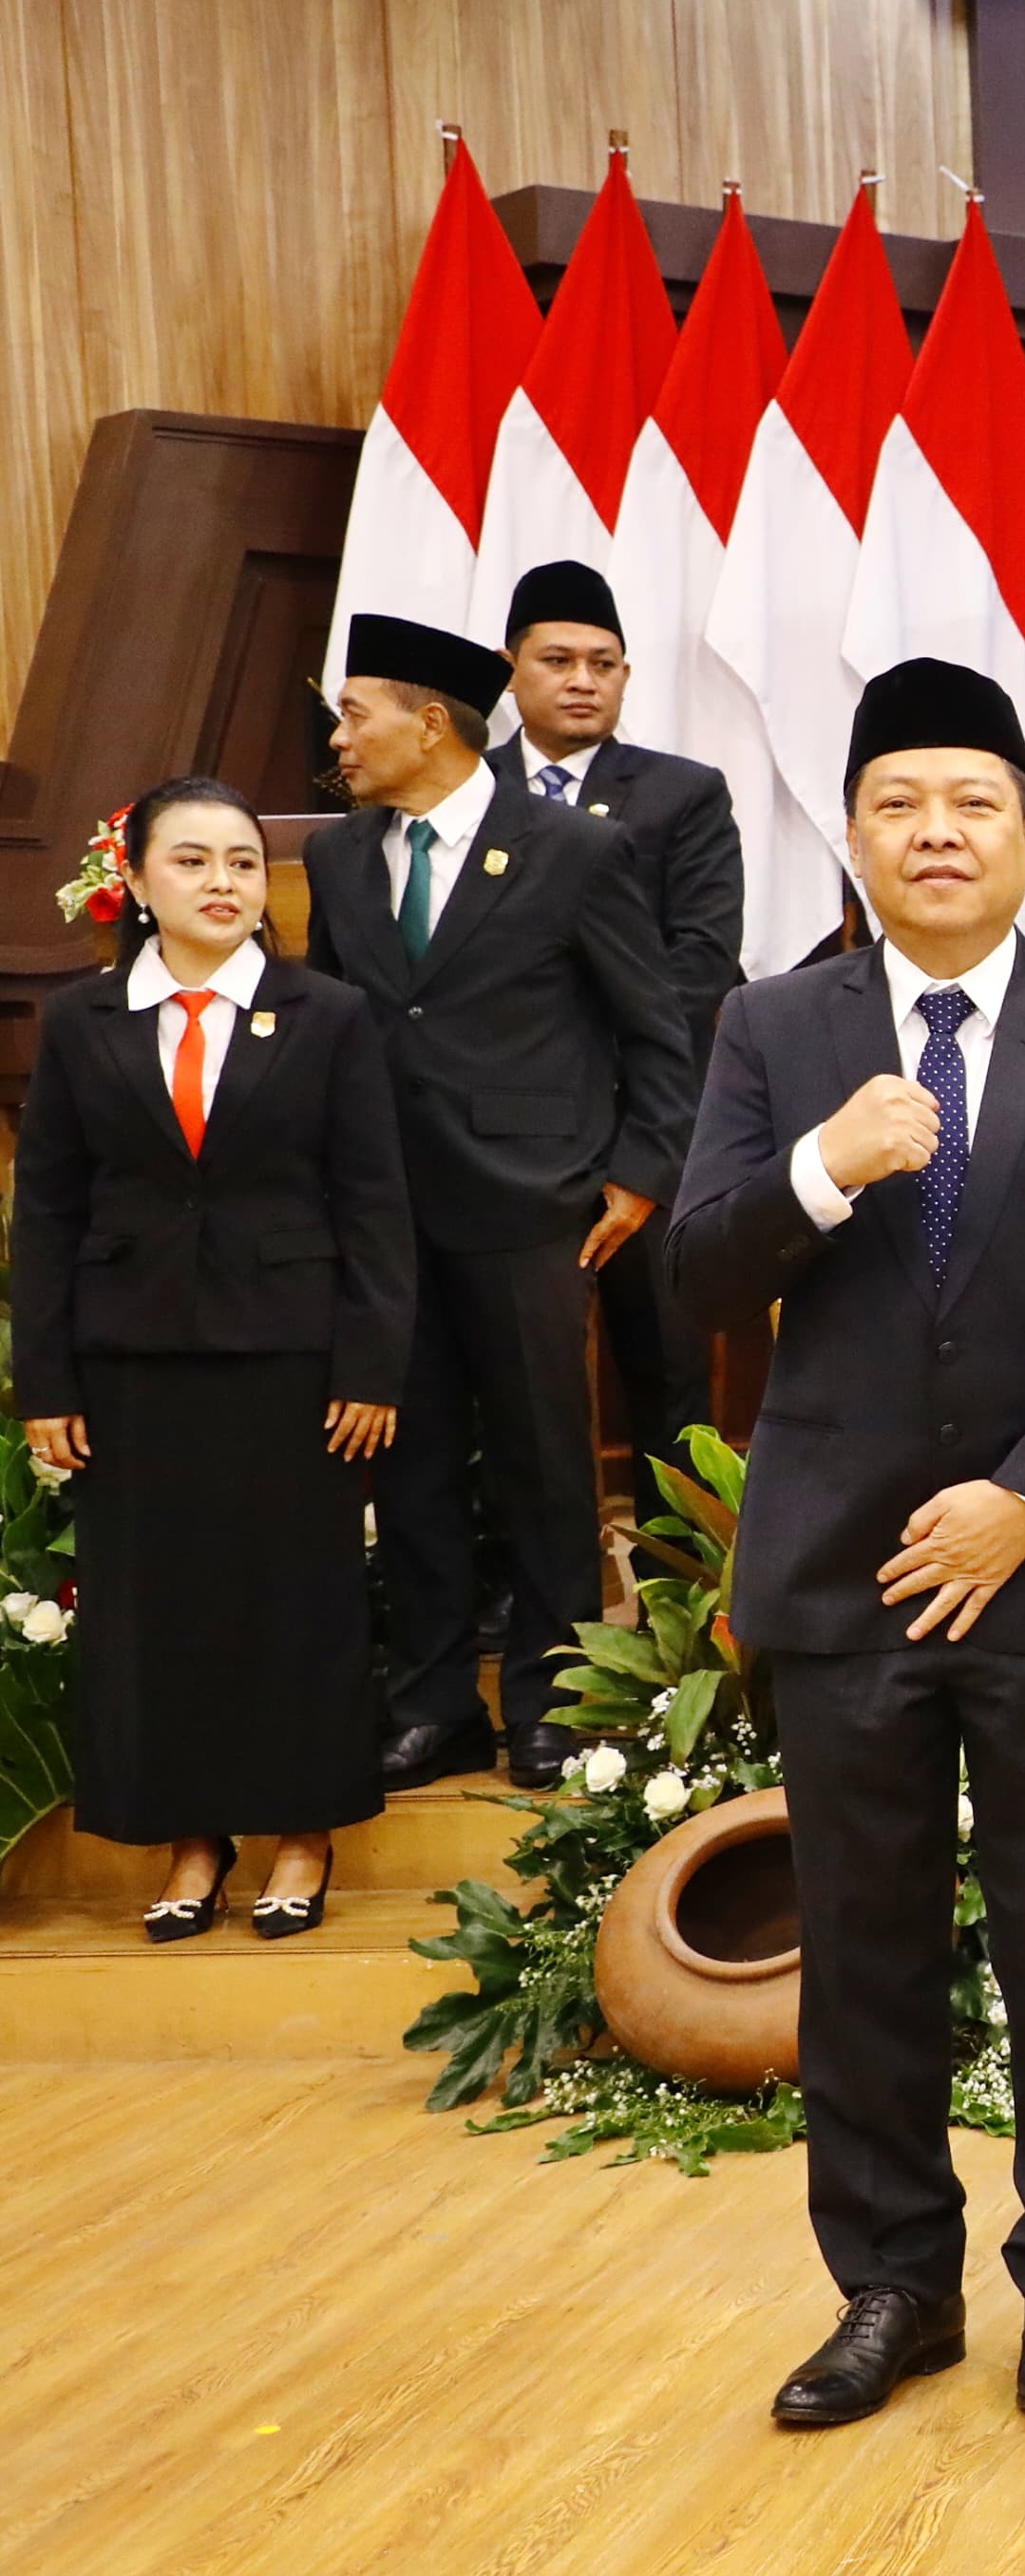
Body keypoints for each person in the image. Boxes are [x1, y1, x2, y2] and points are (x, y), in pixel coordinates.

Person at [664, 657, 1025, 2430]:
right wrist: (823, 1168)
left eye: (975, 801)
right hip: (839, 1570)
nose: (940, 831)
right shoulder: (776, 1028)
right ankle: (893, 2282)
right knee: (869, 1948)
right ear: (854, 836)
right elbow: (695, 1273)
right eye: (902, 803)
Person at [12, 779, 409, 1940]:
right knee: (160, 1611)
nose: (224, 881)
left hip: (296, 1362)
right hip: (132, 1366)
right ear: (135, 881)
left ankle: (302, 1832)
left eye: (242, 861)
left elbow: (375, 1204)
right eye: (193, 861)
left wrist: (372, 1366)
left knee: (298, 1602)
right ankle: (193, 1843)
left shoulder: (327, 1013)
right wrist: (48, 1380)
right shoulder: (84, 1021)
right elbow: (46, 1210)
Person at [305, 614, 693, 1794]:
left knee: (544, 1467)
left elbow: (654, 1026)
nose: (341, 738)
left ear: (430, 721)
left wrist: (636, 1172)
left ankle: (555, 1701)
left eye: (354, 712)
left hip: (536, 1206)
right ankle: (431, 1704)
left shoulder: (570, 849)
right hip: (384, 1214)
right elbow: (331, 1025)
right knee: (409, 1465)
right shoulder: (336, 856)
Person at [492, 559, 744, 1488]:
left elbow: (702, 958)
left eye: (604, 662)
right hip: (500, 1127)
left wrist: (580, 1053)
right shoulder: (462, 793)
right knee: (516, 1367)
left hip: (653, 1118)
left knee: (667, 1362)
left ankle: (679, 1593)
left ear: (626, 677)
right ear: (510, 668)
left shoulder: (683, 793)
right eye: (558, 659)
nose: (583, 678)